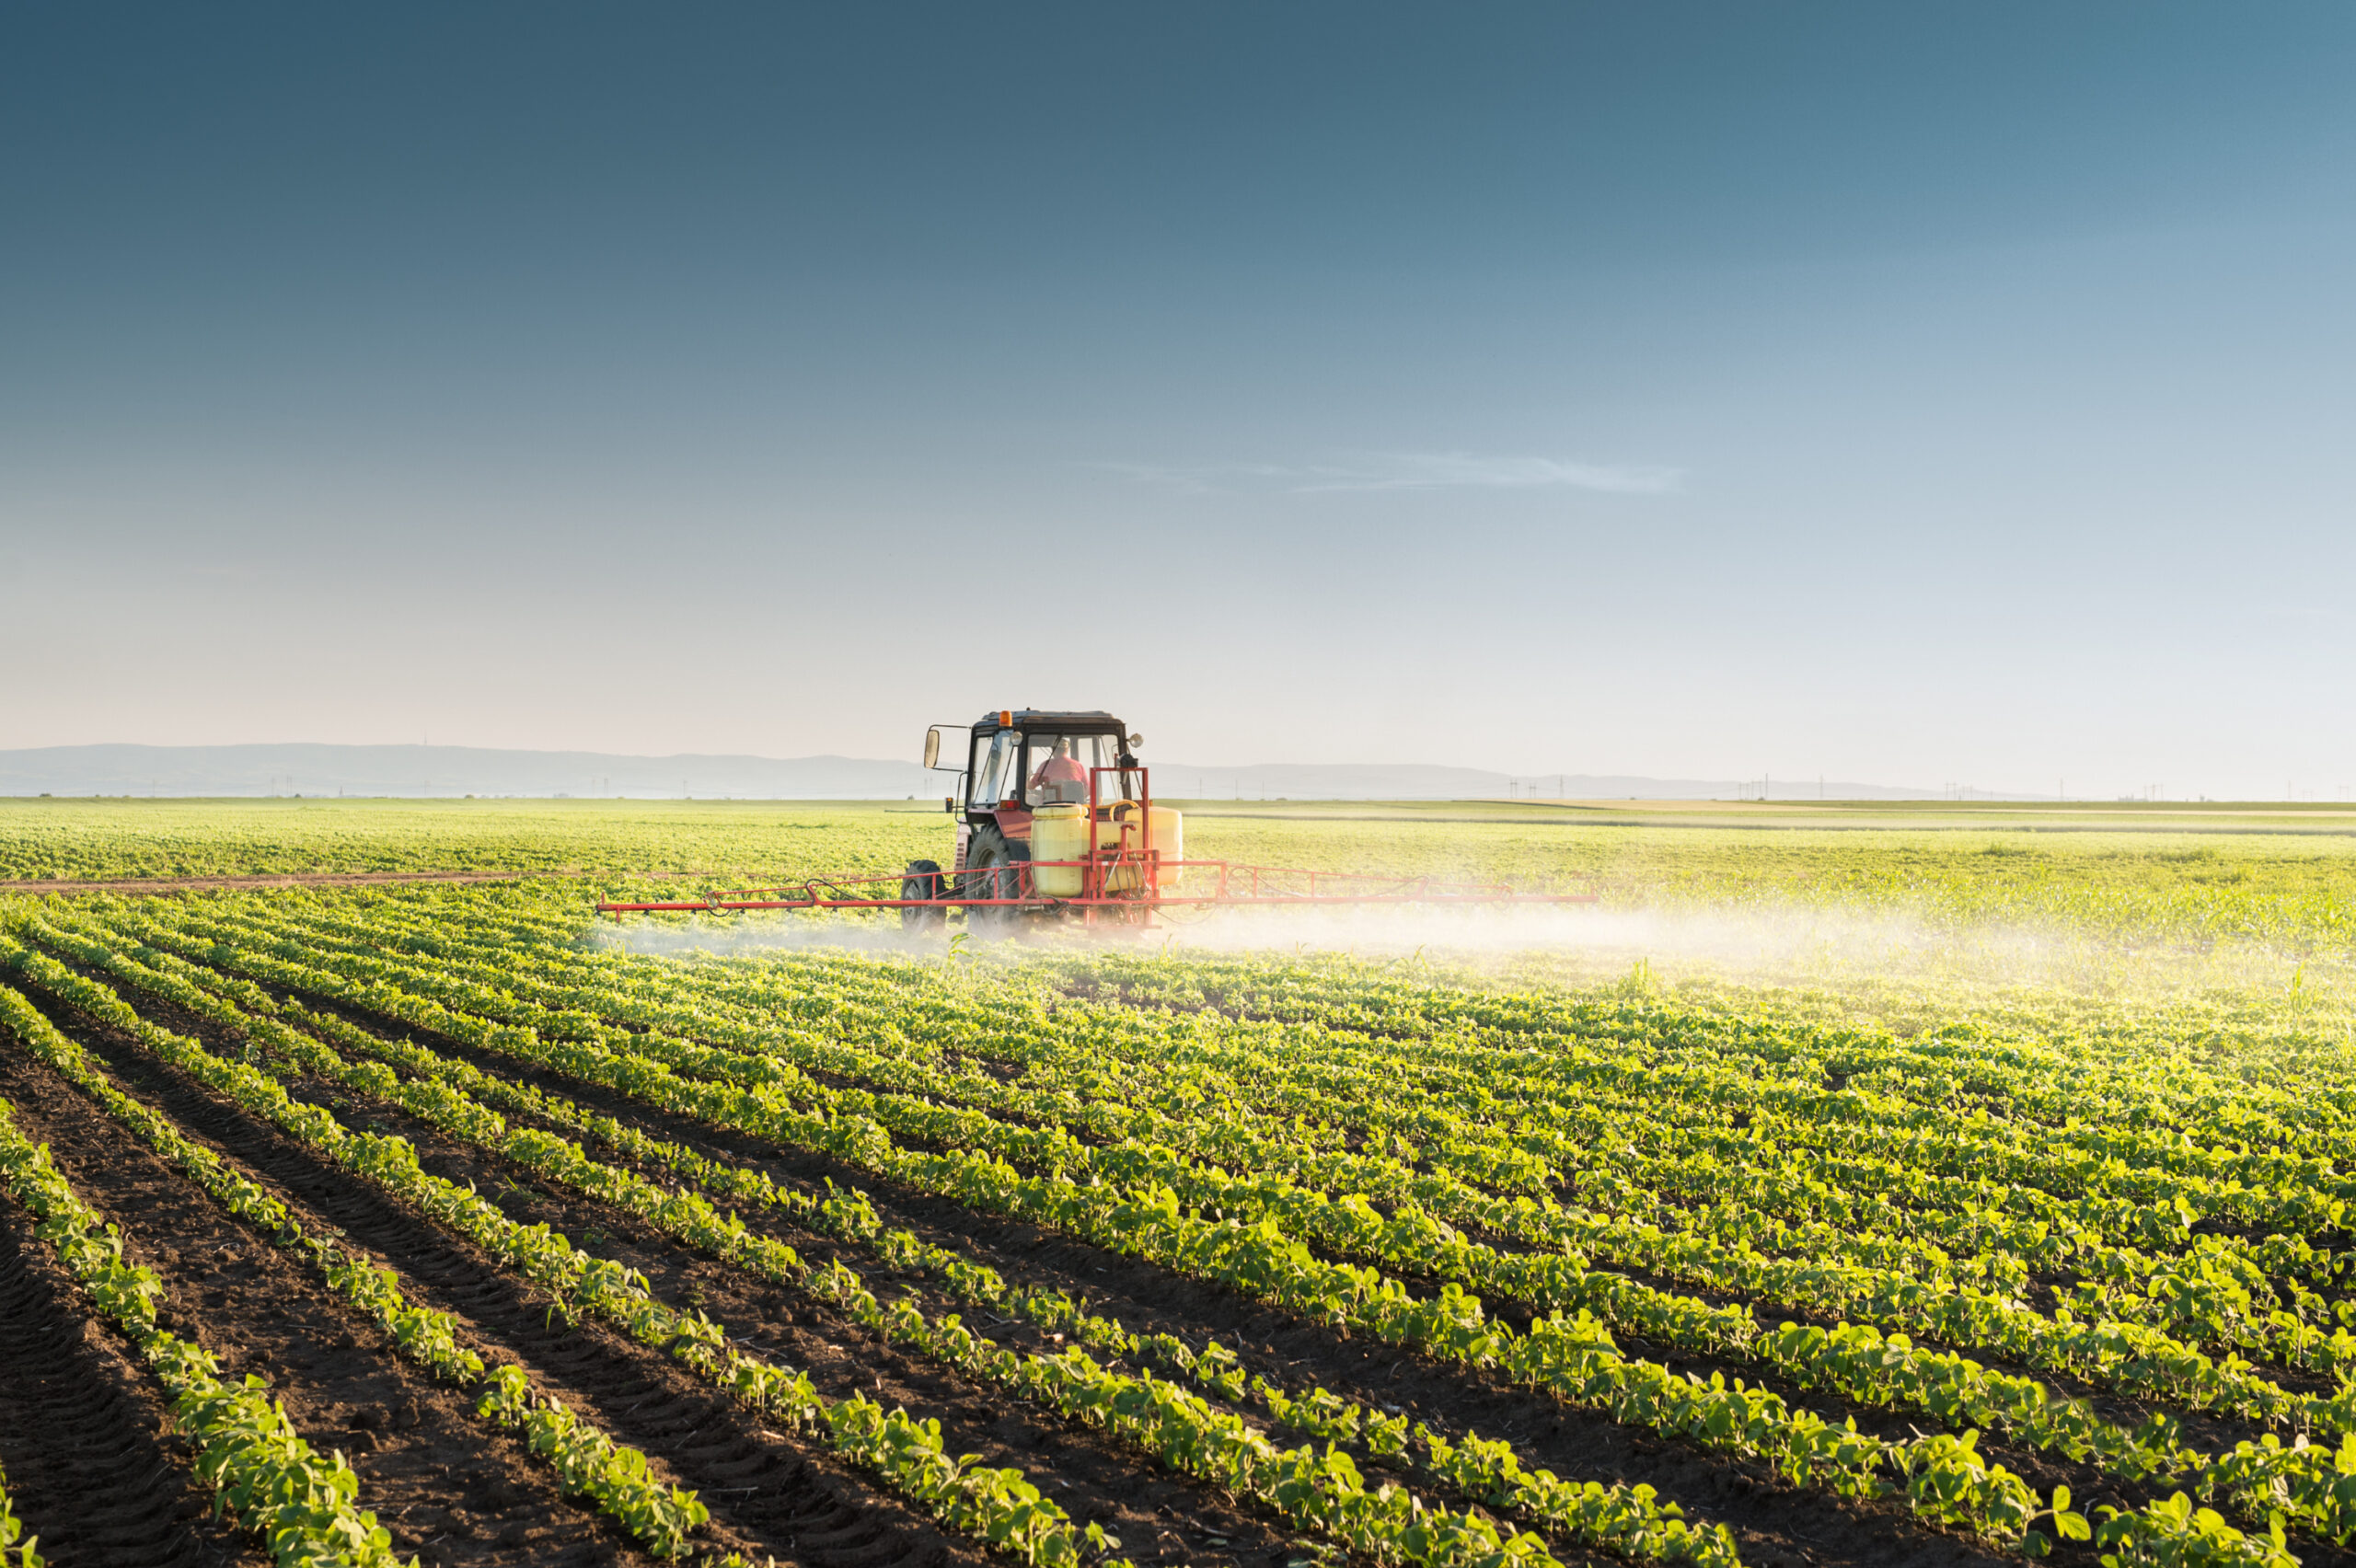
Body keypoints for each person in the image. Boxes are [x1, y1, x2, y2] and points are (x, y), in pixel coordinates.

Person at [1028, 737, 1091, 804]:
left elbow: (1031, 786)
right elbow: (1088, 789)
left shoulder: (1045, 765)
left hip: (1049, 807)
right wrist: (1077, 798)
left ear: (1053, 749)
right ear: (1067, 750)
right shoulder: (1078, 766)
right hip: (1074, 808)